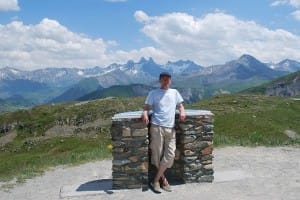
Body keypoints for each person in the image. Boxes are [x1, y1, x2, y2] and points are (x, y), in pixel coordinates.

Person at [142, 72, 186, 193]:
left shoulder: (174, 92)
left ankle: (156, 179)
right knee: (156, 154)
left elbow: (180, 106)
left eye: (168, 79)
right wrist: (145, 114)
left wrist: (182, 111)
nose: (166, 81)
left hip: (170, 128)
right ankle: (163, 180)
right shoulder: (153, 93)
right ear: (160, 80)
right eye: (163, 79)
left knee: (170, 154)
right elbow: (146, 108)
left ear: (170, 81)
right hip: (157, 127)